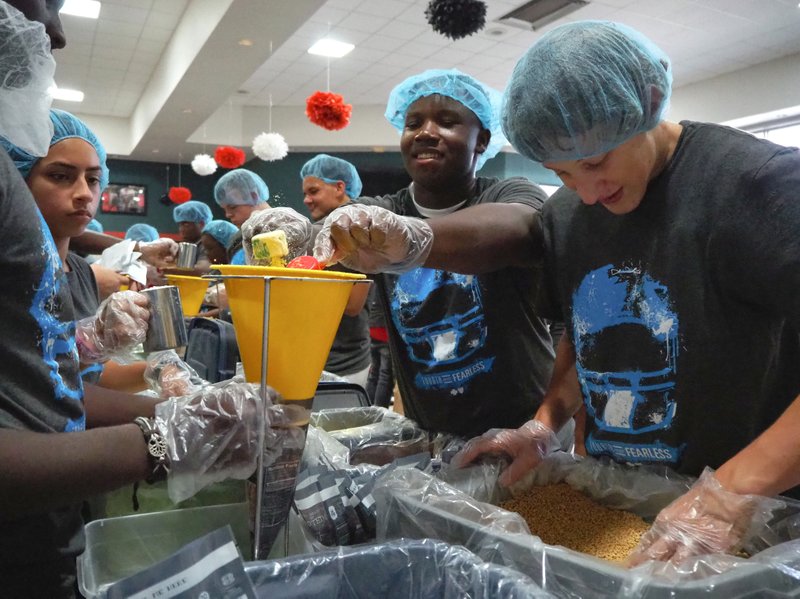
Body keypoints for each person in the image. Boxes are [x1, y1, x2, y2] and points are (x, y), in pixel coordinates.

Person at [437, 20, 800, 567]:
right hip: (619, 507)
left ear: (648, 104)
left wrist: (728, 497)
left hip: (748, 527)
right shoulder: (566, 214)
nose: (586, 192)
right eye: (561, 173)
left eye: (595, 162)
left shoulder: (759, 187)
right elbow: (581, 341)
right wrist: (543, 425)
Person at [0, 3, 264, 595]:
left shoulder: (54, 264)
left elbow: (54, 396)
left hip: (49, 522)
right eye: (60, 176)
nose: (55, 32)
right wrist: (167, 436)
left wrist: (176, 405)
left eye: (95, 179)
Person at [302, 69, 558, 439]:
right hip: (433, 433)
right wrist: (296, 233)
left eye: (447, 121)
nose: (425, 132)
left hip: (525, 430)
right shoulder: (385, 208)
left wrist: (412, 238)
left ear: (481, 140)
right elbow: (335, 227)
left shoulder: (509, 193)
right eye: (413, 123)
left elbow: (519, 229)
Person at [300, 154, 372, 389]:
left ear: (339, 187)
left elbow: (352, 304)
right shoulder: (317, 230)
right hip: (317, 356)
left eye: (314, 191)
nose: (307, 200)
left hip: (344, 363)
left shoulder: (358, 228)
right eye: (305, 193)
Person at [213, 168, 271, 264]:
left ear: (254, 196)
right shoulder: (240, 237)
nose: (228, 214)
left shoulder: (281, 228)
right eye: (224, 209)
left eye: (232, 207)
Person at [172, 199, 212, 272]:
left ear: (201, 224)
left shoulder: (210, 243)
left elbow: (203, 270)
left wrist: (168, 269)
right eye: (179, 225)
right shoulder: (190, 244)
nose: (181, 229)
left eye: (186, 224)